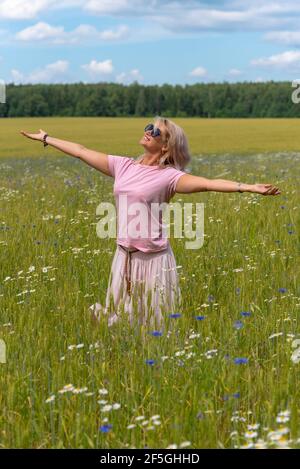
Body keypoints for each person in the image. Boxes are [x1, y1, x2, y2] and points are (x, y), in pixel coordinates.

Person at [20, 116, 281, 329]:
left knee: (153, 327)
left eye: (155, 131)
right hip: (124, 256)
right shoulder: (123, 166)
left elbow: (210, 184)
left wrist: (248, 187)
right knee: (119, 322)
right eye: (148, 126)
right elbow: (81, 151)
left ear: (166, 146)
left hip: (153, 260)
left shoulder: (170, 177)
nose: (148, 131)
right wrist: (45, 138)